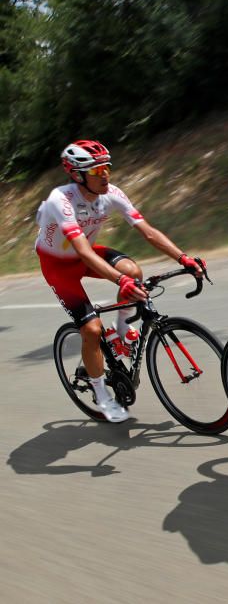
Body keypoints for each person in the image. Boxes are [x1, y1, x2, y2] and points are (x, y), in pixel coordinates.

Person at [35, 139, 205, 422]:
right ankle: (102, 396)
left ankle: (122, 328)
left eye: (106, 168)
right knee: (90, 329)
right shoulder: (60, 200)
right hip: (58, 265)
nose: (104, 175)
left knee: (134, 272)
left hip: (88, 255)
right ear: (77, 175)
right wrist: (119, 280)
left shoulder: (111, 193)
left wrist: (183, 258)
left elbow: (148, 232)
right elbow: (82, 250)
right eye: (96, 170)